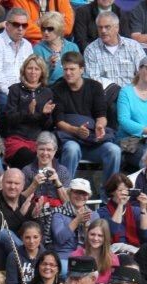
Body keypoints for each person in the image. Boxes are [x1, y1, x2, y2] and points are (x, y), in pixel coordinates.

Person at [51, 52, 121, 185]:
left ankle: (109, 197)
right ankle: (64, 192)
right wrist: (75, 130)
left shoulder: (95, 86)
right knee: (72, 149)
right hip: (70, 138)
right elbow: (59, 121)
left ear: (82, 69)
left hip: (93, 139)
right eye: (65, 69)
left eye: (72, 69)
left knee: (114, 150)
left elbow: (101, 115)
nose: (68, 73)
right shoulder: (57, 88)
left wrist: (100, 126)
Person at [0, 8, 32, 111]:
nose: (20, 28)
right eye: (16, 24)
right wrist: (15, 94)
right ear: (7, 25)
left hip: (23, 91)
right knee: (7, 104)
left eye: (24, 25)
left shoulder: (27, 45)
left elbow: (30, 72)